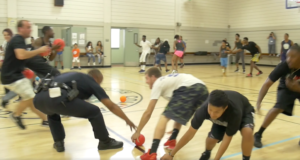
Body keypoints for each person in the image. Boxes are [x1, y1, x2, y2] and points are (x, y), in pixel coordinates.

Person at [34, 69, 136, 152]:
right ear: (95, 78)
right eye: (99, 82)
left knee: (52, 113)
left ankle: (58, 143)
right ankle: (105, 142)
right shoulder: (90, 80)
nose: (99, 85)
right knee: (94, 111)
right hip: (58, 98)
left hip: (38, 99)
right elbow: (111, 106)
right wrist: (127, 119)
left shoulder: (73, 75)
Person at [131, 67, 208, 160]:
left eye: (147, 78)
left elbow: (148, 112)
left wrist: (137, 132)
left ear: (153, 77)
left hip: (189, 87)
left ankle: (152, 153)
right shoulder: (169, 83)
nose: (146, 81)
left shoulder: (158, 83)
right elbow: (179, 112)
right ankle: (172, 140)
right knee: (177, 113)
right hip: (203, 89)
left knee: (164, 117)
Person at [161, 90, 255, 160]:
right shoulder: (203, 109)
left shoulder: (235, 112)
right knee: (211, 139)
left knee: (247, 131)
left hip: (244, 113)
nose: (212, 115)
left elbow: (227, 139)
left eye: (216, 112)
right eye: (210, 110)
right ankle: (207, 153)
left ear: (225, 108)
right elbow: (190, 133)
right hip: (223, 118)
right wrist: (171, 155)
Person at [1, 20, 50, 129]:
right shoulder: (18, 39)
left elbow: (18, 58)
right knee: (30, 96)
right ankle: (16, 115)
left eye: (30, 27)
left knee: (30, 100)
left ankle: (45, 120)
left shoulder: (20, 40)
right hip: (11, 76)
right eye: (27, 27)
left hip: (15, 75)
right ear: (20, 29)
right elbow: (21, 55)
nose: (30, 29)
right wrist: (39, 50)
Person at [254, 45, 300, 148]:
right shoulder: (283, 66)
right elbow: (266, 84)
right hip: (286, 85)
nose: (289, 59)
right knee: (279, 107)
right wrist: (258, 102)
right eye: (287, 56)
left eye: (292, 56)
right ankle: (258, 134)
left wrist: (297, 88)